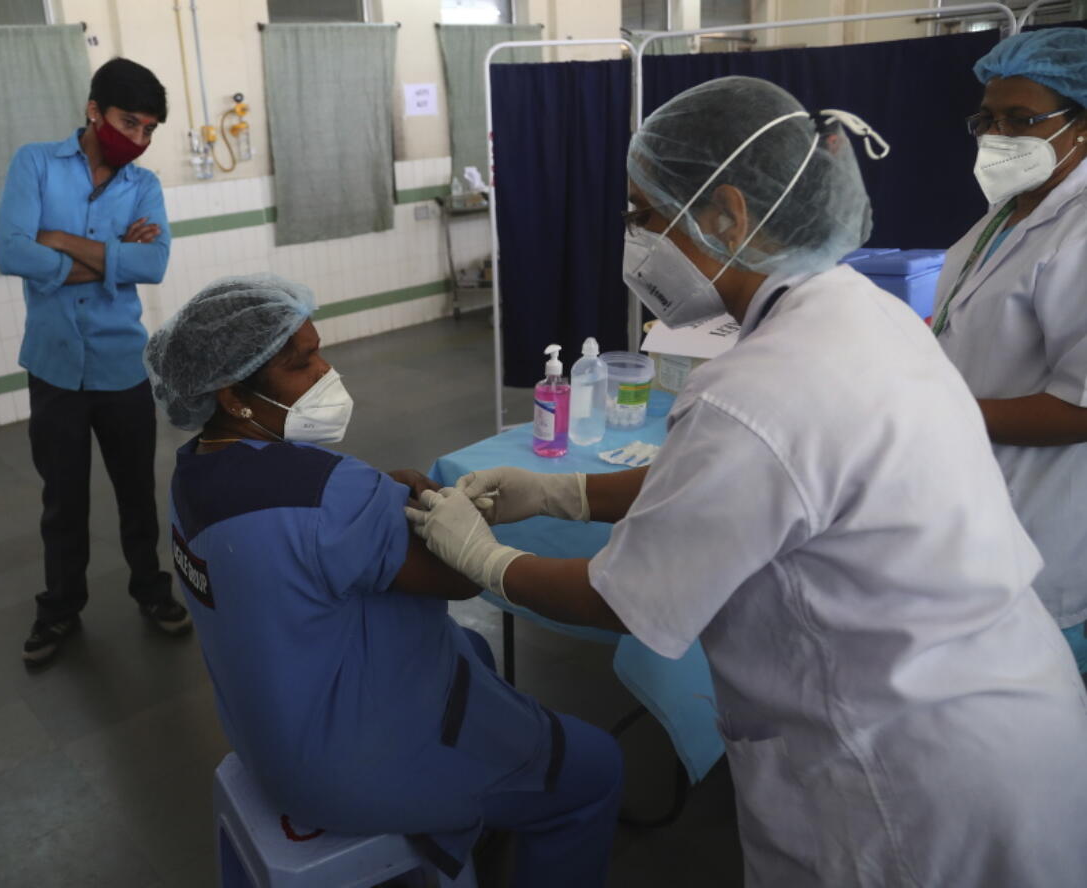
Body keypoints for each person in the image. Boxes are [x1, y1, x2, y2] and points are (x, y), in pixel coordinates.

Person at [408, 76, 1087, 887]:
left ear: (728, 214)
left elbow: (624, 598)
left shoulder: (758, 389)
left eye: (644, 216)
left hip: (905, 780)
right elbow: (752, 486)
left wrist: (486, 561)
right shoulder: (860, 312)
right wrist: (565, 493)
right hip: (1009, 712)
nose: (633, 240)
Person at [143, 274, 623, 887]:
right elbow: (456, 579)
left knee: (472, 648)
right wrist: (461, 521)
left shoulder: (193, 474)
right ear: (235, 396)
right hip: (354, 770)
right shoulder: (331, 493)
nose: (326, 370)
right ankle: (483, 802)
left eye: (319, 349)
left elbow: (301, 541)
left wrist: (379, 493)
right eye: (301, 364)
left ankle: (481, 807)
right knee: (596, 769)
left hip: (268, 736)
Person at [0, 58, 190, 664]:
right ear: (93, 111)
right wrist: (111, 257)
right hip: (54, 366)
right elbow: (10, 249)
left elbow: (152, 266)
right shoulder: (35, 163)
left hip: (119, 366)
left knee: (136, 490)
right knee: (63, 497)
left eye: (148, 130)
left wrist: (56, 243)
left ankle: (151, 589)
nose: (137, 140)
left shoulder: (145, 186)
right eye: (128, 123)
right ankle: (59, 607)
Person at [931, 28, 1087, 674]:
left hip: (1041, 534)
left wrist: (943, 412)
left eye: (1022, 120)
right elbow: (962, 320)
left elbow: (1081, 408)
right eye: (988, 119)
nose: (999, 136)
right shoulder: (1005, 213)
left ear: (1080, 126)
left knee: (1031, 739)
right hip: (971, 512)